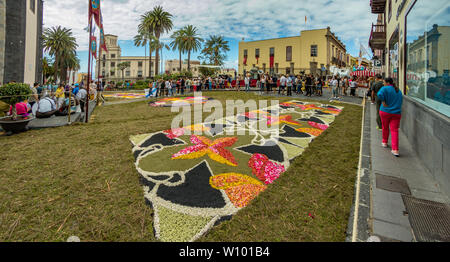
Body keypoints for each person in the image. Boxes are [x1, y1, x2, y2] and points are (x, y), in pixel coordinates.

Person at [377, 77, 403, 157]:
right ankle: (395, 149)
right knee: (394, 130)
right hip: (396, 113)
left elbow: (379, 94)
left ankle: (384, 141)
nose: (383, 84)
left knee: (385, 127)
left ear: (388, 83)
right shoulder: (398, 91)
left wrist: (383, 101)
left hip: (385, 111)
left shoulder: (385, 88)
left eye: (384, 82)